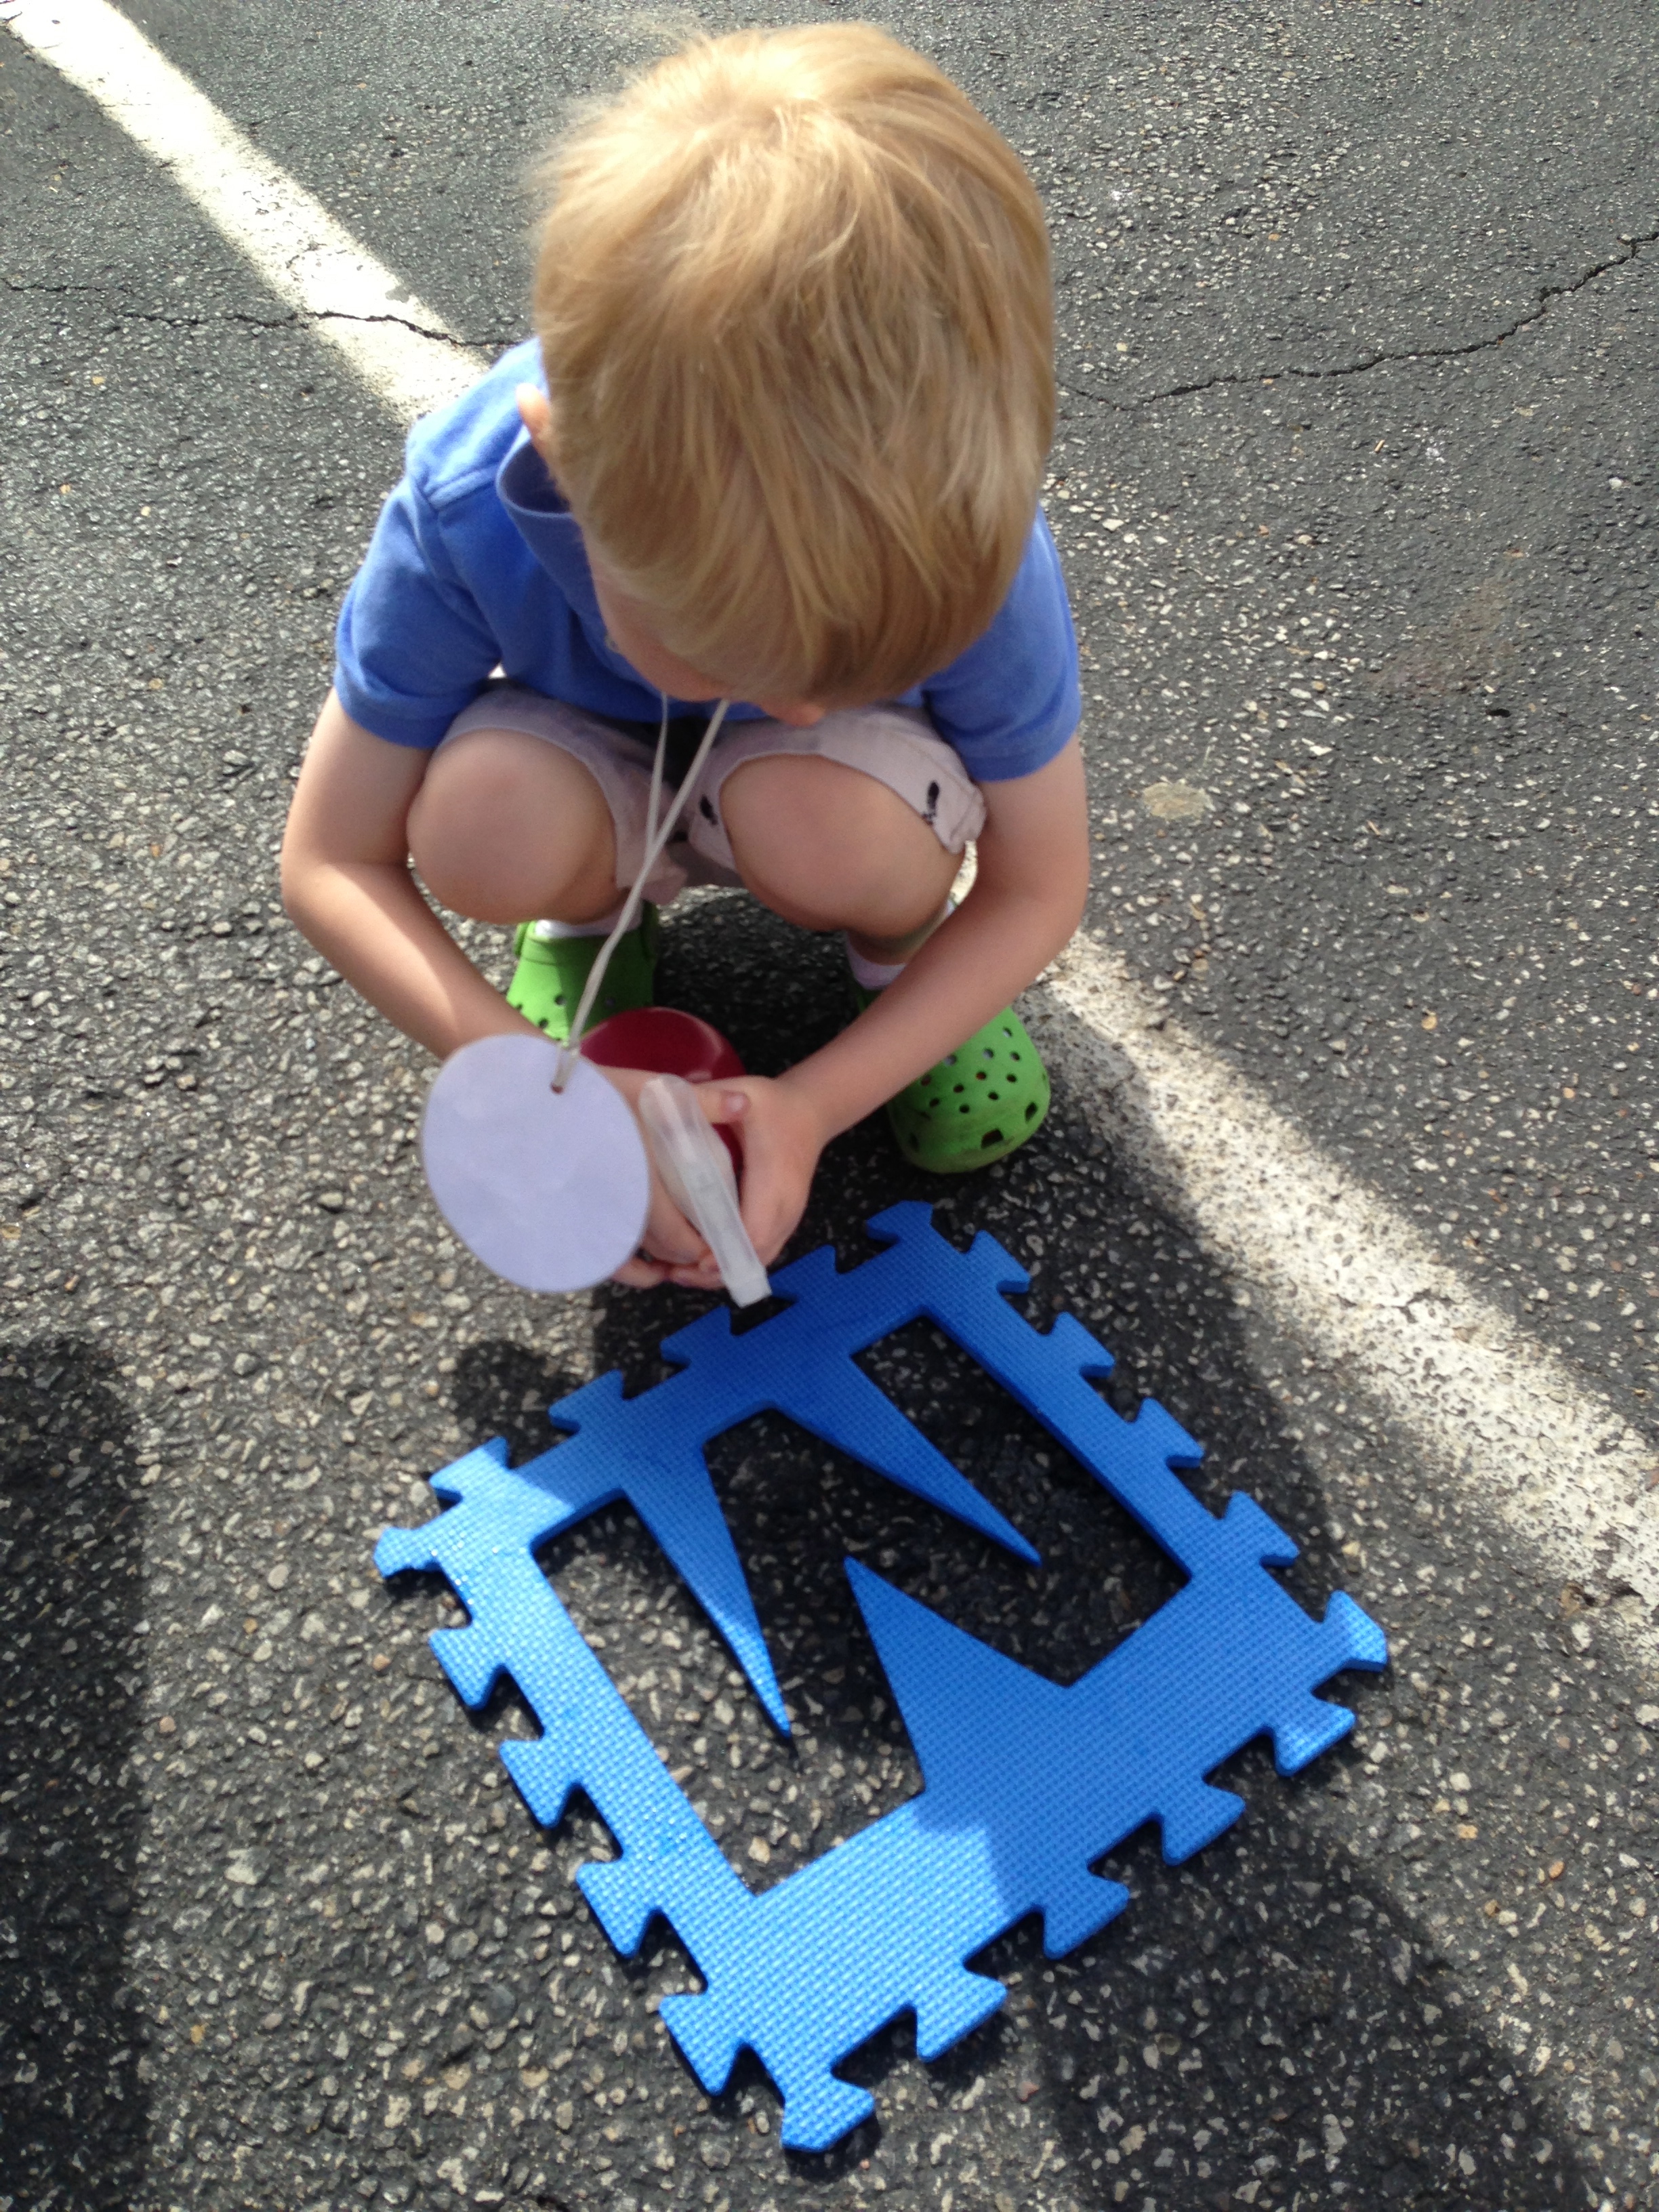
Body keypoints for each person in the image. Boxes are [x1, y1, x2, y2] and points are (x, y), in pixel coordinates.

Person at [281, 22, 1089, 1294]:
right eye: (727, 649)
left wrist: (815, 1102)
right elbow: (329, 859)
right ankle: (589, 923)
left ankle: (899, 968)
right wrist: (521, 1079)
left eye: (850, 660)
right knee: (480, 823)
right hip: (591, 770)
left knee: (831, 823)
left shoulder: (963, 528)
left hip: (828, 802)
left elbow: (1040, 883)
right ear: (564, 469)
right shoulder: (466, 507)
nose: (801, 701)